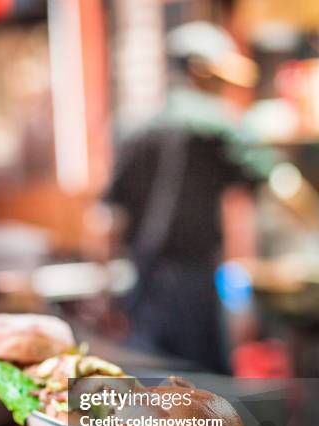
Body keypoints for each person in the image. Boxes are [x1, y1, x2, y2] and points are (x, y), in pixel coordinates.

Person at [99, 21, 272, 373]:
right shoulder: (219, 125)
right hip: (195, 276)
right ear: (202, 70)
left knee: (152, 379)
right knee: (206, 388)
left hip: (142, 274)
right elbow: (263, 176)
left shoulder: (135, 128)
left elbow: (109, 213)